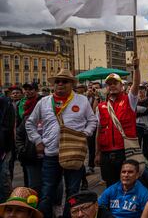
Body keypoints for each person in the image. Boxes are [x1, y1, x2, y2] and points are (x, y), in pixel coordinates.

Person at [25, 69, 98, 218]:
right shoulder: (44, 102)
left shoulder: (82, 100)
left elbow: (92, 121)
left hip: (75, 154)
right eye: (57, 81)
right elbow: (30, 123)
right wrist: (37, 141)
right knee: (47, 192)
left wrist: (85, 134)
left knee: (73, 192)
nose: (60, 84)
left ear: (71, 84)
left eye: (64, 81)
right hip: (51, 154)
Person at [95, 57, 141, 187]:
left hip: (125, 151)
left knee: (128, 184)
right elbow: (99, 131)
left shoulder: (129, 101)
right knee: (110, 184)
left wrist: (136, 69)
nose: (112, 86)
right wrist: (97, 153)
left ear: (122, 86)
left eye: (115, 83)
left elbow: (136, 85)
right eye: (109, 84)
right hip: (106, 153)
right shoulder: (101, 106)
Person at [0, 96, 15, 203]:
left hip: (2, 147)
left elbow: (7, 127)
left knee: (3, 177)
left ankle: (7, 205)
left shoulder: (5, 102)